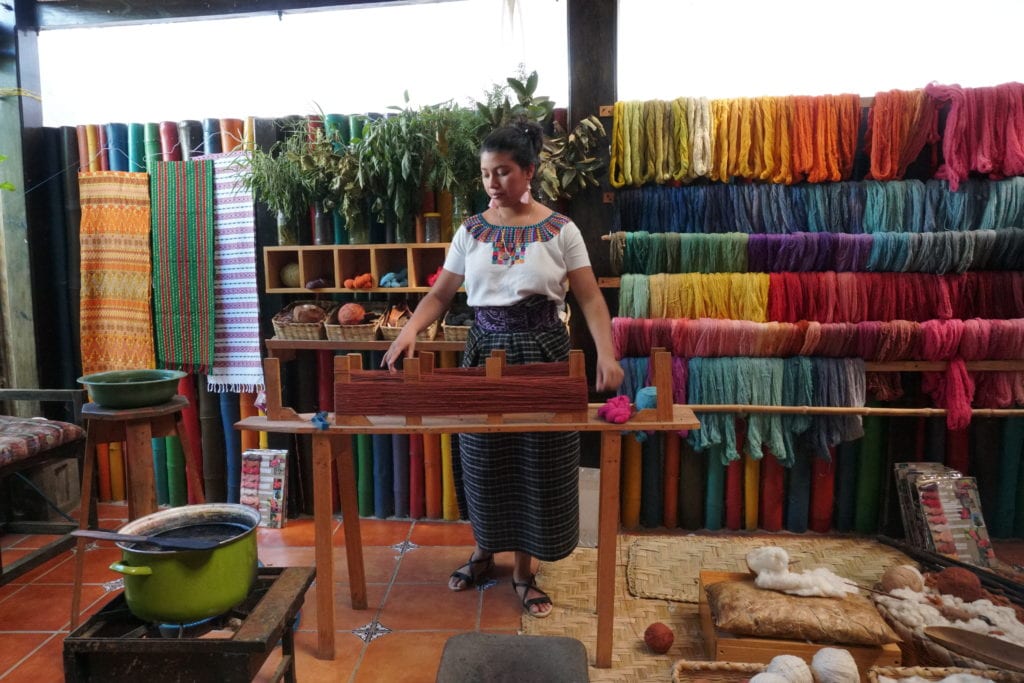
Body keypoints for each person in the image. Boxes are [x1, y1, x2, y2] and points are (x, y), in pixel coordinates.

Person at [382, 120, 624, 618]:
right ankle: (483, 552)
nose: (494, 183)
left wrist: (607, 353)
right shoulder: (470, 231)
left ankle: (523, 570)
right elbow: (441, 294)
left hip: (543, 354)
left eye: (504, 172)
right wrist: (409, 331)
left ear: (529, 171)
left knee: (538, 461)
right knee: (484, 460)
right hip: (484, 349)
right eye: (487, 174)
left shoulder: (561, 230)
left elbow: (590, 298)